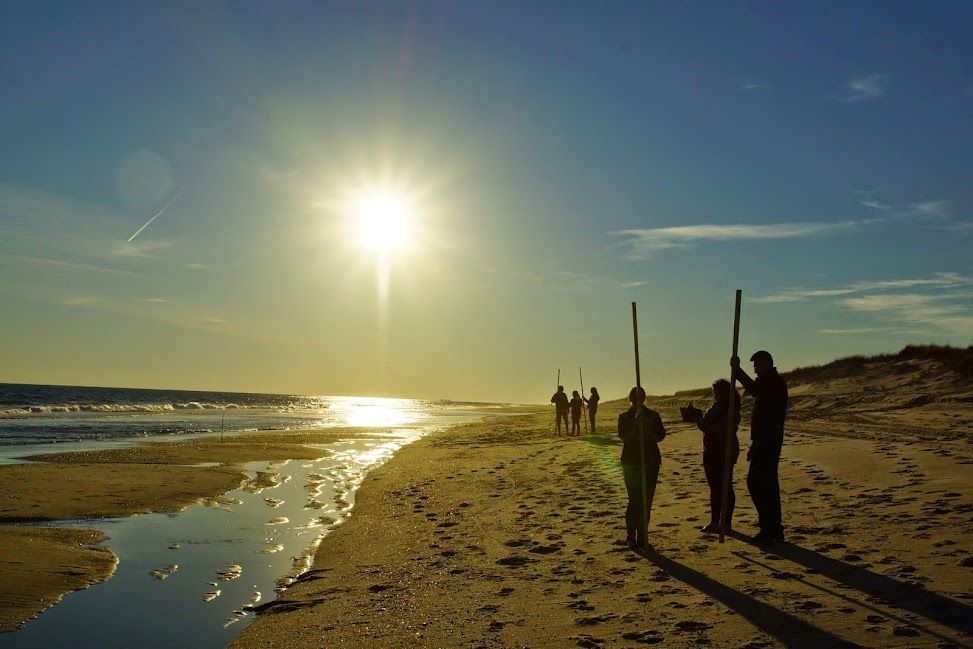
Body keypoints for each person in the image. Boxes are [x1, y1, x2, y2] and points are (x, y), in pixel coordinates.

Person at [731, 350, 788, 543]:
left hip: (768, 440)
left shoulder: (774, 383)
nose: (755, 369)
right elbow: (755, 389)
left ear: (767, 364)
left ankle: (771, 528)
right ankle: (771, 527)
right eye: (754, 366)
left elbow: (754, 390)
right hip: (765, 440)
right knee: (763, 484)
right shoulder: (769, 381)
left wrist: (738, 371)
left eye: (757, 365)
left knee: (760, 484)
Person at [617, 386, 666, 550]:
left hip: (650, 462)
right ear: (630, 399)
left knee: (646, 501)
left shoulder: (653, 416)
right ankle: (631, 535)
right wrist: (635, 425)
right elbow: (624, 437)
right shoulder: (624, 417)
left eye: (640, 397)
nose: (637, 400)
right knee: (634, 500)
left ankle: (643, 537)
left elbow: (660, 436)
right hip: (631, 463)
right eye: (634, 398)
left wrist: (646, 427)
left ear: (644, 399)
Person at [693, 379, 741, 533]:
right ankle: (714, 521)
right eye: (714, 392)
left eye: (716, 392)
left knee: (725, 486)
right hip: (710, 450)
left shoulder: (730, 409)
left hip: (724, 450)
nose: (714, 395)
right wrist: (698, 420)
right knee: (714, 487)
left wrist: (704, 424)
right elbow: (707, 427)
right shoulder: (715, 407)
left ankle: (726, 523)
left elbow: (723, 431)